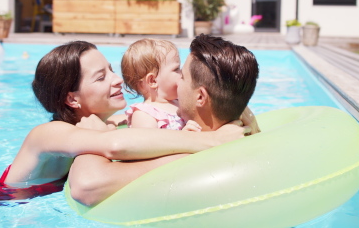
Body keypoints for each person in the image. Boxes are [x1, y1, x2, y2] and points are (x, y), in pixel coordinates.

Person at [0, 41, 247, 207]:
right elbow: (114, 147)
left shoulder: (111, 120)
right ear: (72, 99)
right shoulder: (50, 134)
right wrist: (209, 144)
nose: (116, 79)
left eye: (110, 69)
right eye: (100, 76)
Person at [68, 34, 260, 206]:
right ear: (152, 81)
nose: (179, 80)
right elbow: (141, 151)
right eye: (178, 71)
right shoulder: (146, 114)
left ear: (200, 97)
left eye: (182, 74)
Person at [121, 38, 200, 131]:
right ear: (153, 81)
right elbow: (149, 144)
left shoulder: (180, 101)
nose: (182, 72)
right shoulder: (144, 114)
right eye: (176, 69)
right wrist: (183, 136)